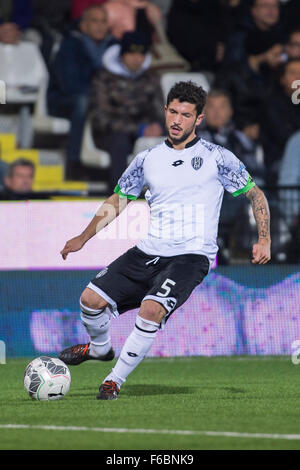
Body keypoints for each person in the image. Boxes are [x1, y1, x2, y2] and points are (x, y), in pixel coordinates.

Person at [59, 81, 271, 400]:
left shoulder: (218, 157)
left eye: (185, 115)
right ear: (165, 110)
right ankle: (101, 349)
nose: (176, 120)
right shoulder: (147, 159)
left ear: (198, 119)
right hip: (148, 252)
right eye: (172, 111)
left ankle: (113, 380)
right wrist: (83, 237)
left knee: (150, 309)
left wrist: (264, 239)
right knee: (89, 300)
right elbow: (118, 200)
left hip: (190, 257)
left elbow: (256, 195)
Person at [89, 31, 164, 193]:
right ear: (122, 54)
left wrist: (157, 126)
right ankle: (119, 197)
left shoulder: (151, 77)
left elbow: (160, 111)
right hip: (111, 133)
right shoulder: (104, 78)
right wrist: (138, 129)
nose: (137, 58)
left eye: (141, 54)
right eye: (131, 53)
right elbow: (101, 118)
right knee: (120, 142)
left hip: (146, 132)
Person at [47, 4, 115, 180]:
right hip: (63, 99)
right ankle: (74, 162)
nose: (100, 26)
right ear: (83, 25)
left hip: (100, 98)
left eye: (103, 21)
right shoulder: (70, 44)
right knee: (83, 102)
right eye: (94, 21)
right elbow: (69, 84)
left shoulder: (114, 46)